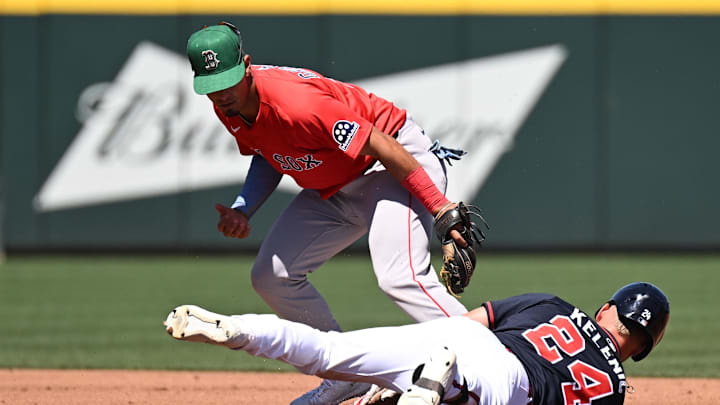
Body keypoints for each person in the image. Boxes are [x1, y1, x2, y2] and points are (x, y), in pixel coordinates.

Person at [186, 21, 475, 403]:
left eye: (228, 81)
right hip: (337, 184)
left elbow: (383, 145)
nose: (221, 94)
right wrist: (244, 207)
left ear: (248, 65)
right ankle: (347, 375)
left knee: (399, 277)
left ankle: (493, 361)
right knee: (272, 276)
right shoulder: (231, 105)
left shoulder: (299, 102)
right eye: (211, 86)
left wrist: (439, 206)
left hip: (390, 167)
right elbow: (270, 151)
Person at [164, 281, 670, 405]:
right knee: (473, 393)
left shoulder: (555, 305)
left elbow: (471, 321)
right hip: (509, 382)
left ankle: (239, 328)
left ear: (607, 309)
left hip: (457, 339)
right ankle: (436, 391)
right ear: (643, 346)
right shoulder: (614, 387)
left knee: (329, 352)